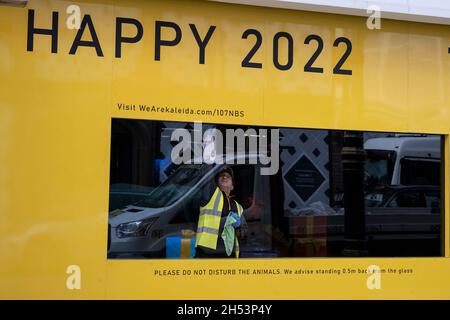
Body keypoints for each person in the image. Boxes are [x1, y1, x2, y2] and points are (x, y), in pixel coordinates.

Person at [194, 166, 245, 258]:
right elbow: (207, 173)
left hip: (230, 255)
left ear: (232, 186)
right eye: (221, 176)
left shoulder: (238, 207)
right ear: (217, 183)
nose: (224, 177)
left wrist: (240, 227)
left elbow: (244, 232)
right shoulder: (211, 195)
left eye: (228, 176)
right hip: (208, 254)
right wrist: (226, 221)